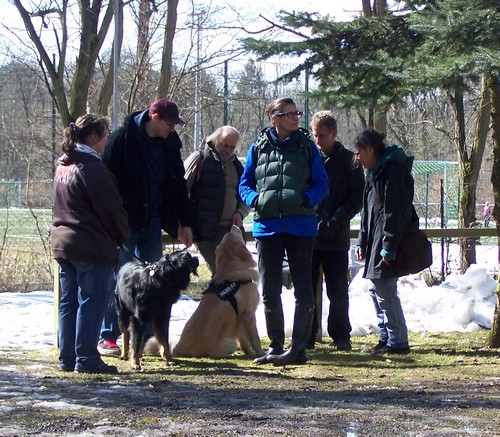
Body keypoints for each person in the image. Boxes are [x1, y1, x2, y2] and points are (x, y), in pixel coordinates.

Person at [97, 97, 194, 356]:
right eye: (169, 124)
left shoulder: (170, 143)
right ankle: (109, 335)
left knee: (155, 281)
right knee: (119, 278)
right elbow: (106, 184)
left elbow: (177, 185)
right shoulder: (122, 140)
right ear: (154, 117)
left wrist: (183, 222)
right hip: (124, 220)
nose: (172, 129)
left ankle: (149, 337)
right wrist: (111, 221)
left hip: (154, 219)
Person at [239, 97, 329, 365]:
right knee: (269, 289)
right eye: (288, 114)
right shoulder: (258, 148)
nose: (295, 118)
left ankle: (298, 349)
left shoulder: (307, 148)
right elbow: (245, 184)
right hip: (267, 227)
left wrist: (306, 199)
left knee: (303, 288)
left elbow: (322, 184)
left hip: (301, 227)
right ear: (274, 118)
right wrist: (255, 200)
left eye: (297, 113)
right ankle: (275, 346)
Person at [51, 114, 129, 374]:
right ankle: (86, 357)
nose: (106, 141)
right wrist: (120, 235)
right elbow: (111, 210)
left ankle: (68, 356)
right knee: (91, 302)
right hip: (90, 245)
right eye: (104, 136)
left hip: (64, 243)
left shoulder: (63, 165)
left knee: (68, 302)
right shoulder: (93, 169)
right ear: (94, 137)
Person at [308, 111, 365, 351]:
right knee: (307, 289)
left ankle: (341, 334)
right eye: (315, 135)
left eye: (322, 135)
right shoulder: (308, 157)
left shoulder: (350, 161)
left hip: (337, 234)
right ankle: (308, 334)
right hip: (310, 233)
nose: (318, 140)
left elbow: (356, 197)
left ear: (334, 134)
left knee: (338, 290)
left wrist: (336, 219)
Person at [354, 128, 412, 355]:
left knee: (385, 290)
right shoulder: (374, 174)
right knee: (375, 289)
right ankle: (385, 337)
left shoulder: (392, 173)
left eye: (359, 152)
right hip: (375, 241)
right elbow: (368, 212)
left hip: (385, 242)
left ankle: (398, 342)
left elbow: (395, 212)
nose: (357, 158)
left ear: (370, 150)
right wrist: (362, 240)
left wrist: (388, 248)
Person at [184, 126, 250, 273]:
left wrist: (240, 212)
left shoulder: (237, 166)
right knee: (223, 274)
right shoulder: (199, 159)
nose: (227, 150)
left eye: (232, 147)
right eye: (224, 145)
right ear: (214, 140)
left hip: (233, 231)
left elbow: (245, 194)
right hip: (207, 232)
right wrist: (184, 224)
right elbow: (181, 191)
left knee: (238, 275)